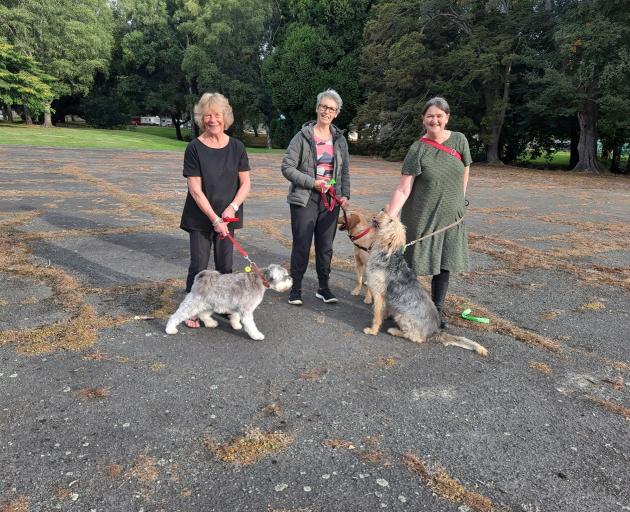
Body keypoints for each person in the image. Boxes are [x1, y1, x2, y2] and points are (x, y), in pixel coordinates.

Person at [384, 96, 471, 329]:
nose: (435, 120)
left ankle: (437, 310)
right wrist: (389, 216)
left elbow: (465, 170)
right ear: (423, 119)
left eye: (439, 116)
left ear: (447, 117)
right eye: (430, 116)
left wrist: (461, 199)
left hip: (451, 217)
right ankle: (398, 308)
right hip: (422, 216)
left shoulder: (460, 141)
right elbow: (404, 187)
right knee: (409, 265)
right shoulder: (417, 149)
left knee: (443, 264)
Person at [179, 92, 251, 328]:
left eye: (217, 115)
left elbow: (246, 183)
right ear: (202, 118)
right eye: (207, 115)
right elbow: (195, 190)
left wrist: (231, 209)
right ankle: (191, 309)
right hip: (200, 217)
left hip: (228, 217)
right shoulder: (194, 148)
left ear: (225, 117)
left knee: (225, 266)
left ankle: (225, 306)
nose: (212, 120)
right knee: (199, 266)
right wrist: (214, 219)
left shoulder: (237, 147)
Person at [281, 89, 351, 305]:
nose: (326, 111)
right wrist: (313, 182)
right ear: (317, 108)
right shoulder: (302, 137)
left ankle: (324, 288)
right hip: (305, 197)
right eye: (323, 106)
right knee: (302, 244)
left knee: (325, 246)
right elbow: (287, 167)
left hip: (330, 200)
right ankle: (296, 288)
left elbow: (345, 170)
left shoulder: (339, 140)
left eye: (331, 108)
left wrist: (345, 194)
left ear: (336, 113)